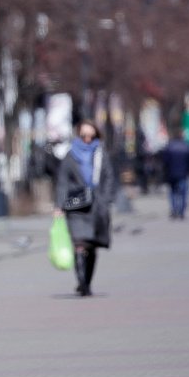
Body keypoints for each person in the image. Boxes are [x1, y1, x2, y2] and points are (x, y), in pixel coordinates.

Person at [54, 120, 116, 297]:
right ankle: (82, 282)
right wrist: (59, 205)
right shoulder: (70, 156)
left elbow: (109, 178)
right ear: (78, 136)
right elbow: (62, 182)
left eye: (92, 136)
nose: (88, 140)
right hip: (76, 207)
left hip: (96, 207)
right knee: (79, 244)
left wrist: (105, 199)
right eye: (84, 136)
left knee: (92, 246)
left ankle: (87, 281)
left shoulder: (100, 155)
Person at [161, 128, 189, 220]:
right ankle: (182, 211)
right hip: (183, 173)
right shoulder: (187, 147)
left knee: (172, 193)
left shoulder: (169, 146)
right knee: (183, 193)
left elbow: (165, 161)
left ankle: (174, 209)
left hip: (171, 173)